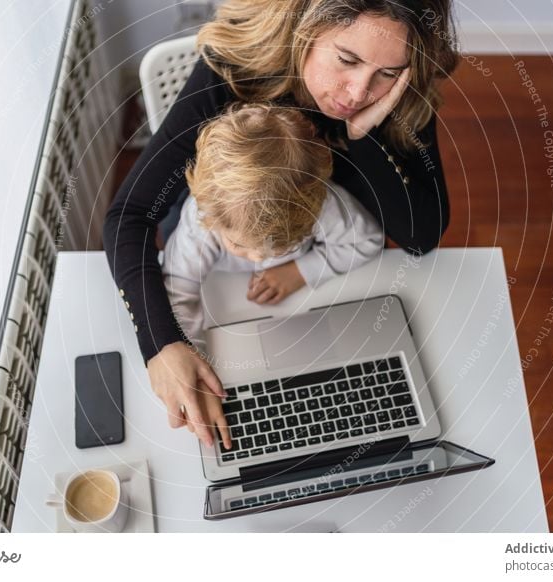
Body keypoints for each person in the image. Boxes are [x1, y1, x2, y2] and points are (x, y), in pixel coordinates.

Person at [103, 0, 459, 448]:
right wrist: (162, 344)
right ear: (305, 28)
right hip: (221, 222)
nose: (356, 92)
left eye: (387, 73)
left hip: (320, 253)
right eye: (346, 60)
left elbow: (421, 235)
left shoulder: (395, 92)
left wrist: (363, 134)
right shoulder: (233, 72)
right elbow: (130, 215)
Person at [162, 103, 384, 448]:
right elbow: (179, 287)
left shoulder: (320, 204)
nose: (257, 260)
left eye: (276, 250)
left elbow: (368, 239)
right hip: (205, 266)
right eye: (240, 245)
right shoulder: (204, 218)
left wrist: (300, 270)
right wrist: (198, 370)